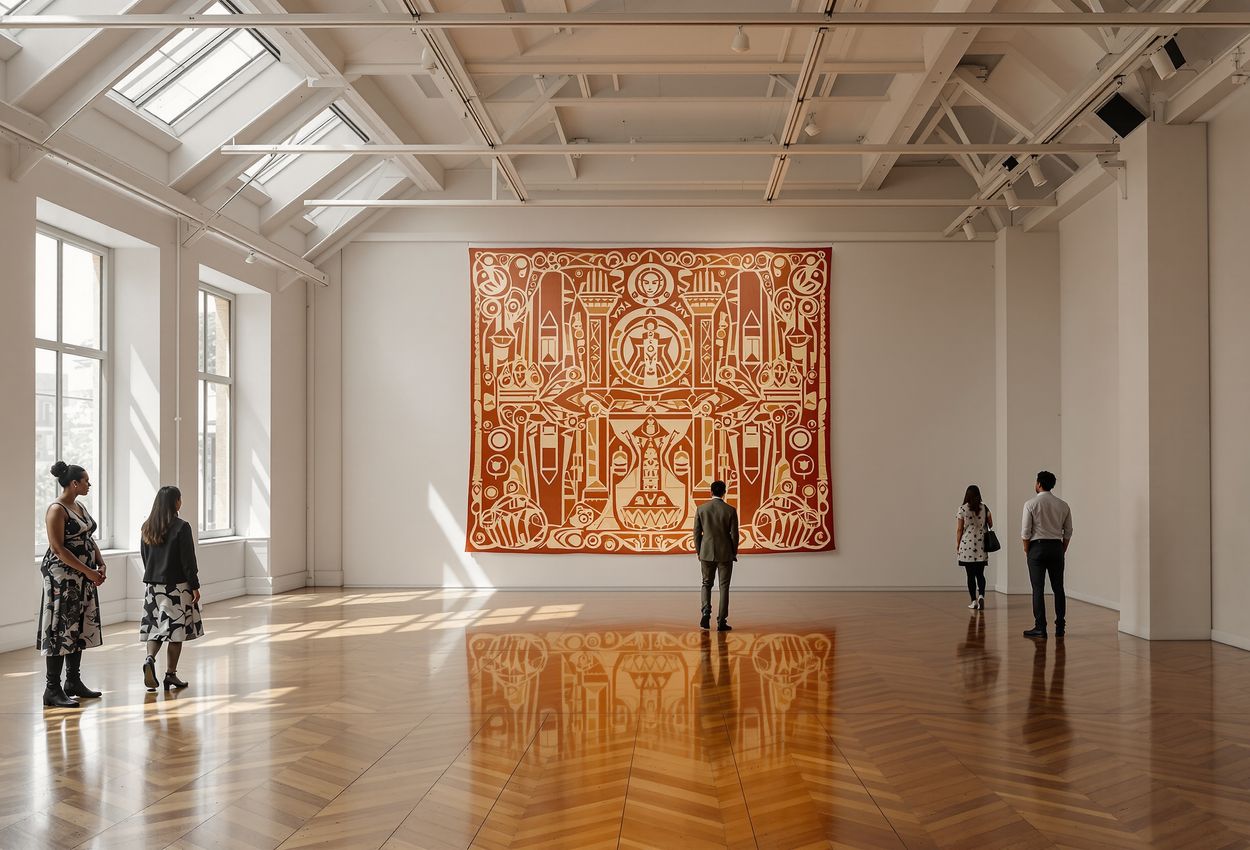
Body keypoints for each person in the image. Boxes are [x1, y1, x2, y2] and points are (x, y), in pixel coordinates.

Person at [37, 461, 105, 709]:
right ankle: (52, 689)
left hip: (82, 576)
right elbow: (57, 548)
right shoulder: (57, 509)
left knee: (77, 626)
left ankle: (73, 682)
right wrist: (88, 571)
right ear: (74, 483)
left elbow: (88, 537)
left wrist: (100, 563)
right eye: (86, 480)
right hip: (62, 577)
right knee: (60, 628)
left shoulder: (80, 506)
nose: (89, 484)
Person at [139, 486, 204, 691]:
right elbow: (188, 561)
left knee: (155, 628)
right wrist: (194, 586)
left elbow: (145, 557)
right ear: (175, 502)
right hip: (176, 587)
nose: (181, 502)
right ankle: (170, 675)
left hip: (153, 587)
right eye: (180, 498)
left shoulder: (147, 527)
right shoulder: (181, 527)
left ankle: (150, 658)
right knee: (176, 632)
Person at [1021, 470, 1073, 639]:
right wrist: (1062, 548)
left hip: (1037, 547)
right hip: (1056, 547)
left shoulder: (1030, 504)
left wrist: (1027, 550)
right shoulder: (1063, 505)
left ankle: (1040, 627)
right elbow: (1068, 531)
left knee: (1038, 588)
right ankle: (1060, 627)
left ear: (1039, 484)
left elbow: (1025, 532)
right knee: (1058, 588)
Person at [693, 479, 738, 632]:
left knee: (706, 584)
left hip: (706, 552)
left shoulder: (701, 509)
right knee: (724, 587)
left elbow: (696, 534)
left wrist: (700, 552)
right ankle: (721, 621)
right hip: (725, 553)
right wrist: (733, 552)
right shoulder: (730, 510)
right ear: (724, 493)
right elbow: (734, 535)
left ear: (711, 492)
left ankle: (706, 611)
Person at [955, 485, 993, 610]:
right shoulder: (985, 507)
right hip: (981, 544)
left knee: (970, 575)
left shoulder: (962, 509)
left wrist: (957, 544)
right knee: (980, 574)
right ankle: (981, 595)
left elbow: (959, 529)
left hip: (967, 546)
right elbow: (991, 524)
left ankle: (973, 601)